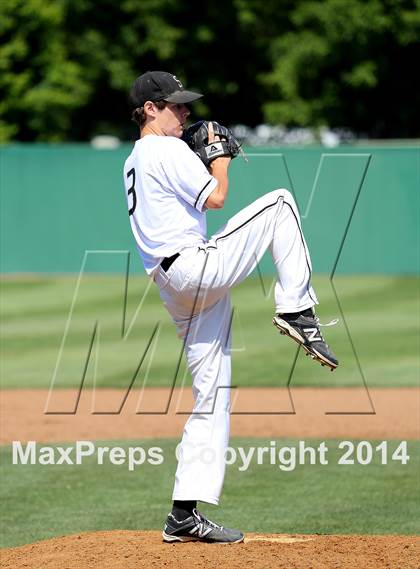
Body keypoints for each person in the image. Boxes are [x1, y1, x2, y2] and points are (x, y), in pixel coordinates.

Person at [123, 71, 338, 544]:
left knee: (212, 394)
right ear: (149, 110)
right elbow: (216, 197)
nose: (186, 113)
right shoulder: (164, 148)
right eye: (175, 106)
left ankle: (183, 514)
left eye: (185, 105)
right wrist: (218, 160)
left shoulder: (136, 159)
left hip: (172, 283)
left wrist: (201, 158)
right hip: (192, 267)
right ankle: (296, 309)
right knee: (280, 203)